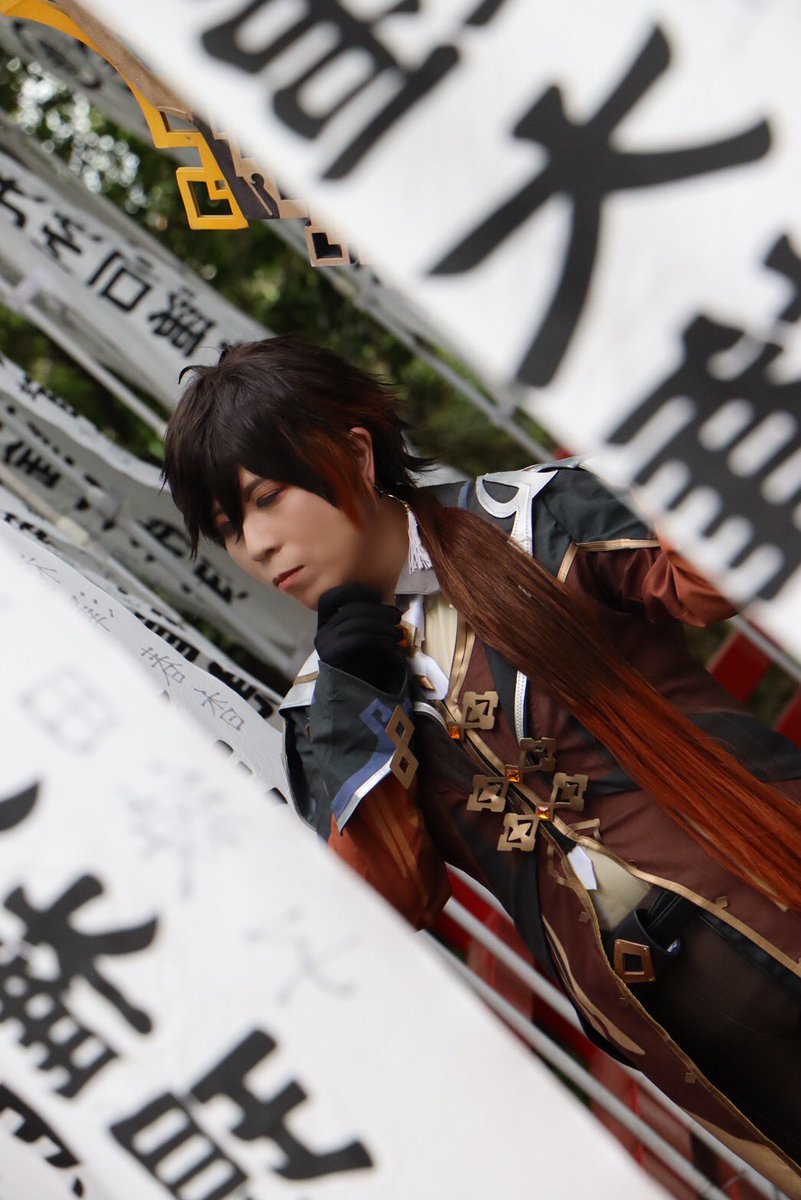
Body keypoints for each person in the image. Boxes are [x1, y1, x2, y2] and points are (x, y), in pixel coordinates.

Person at [163, 336, 801, 1195]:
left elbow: (709, 573)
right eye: (228, 528)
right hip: (674, 1025)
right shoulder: (324, 710)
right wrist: (356, 700)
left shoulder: (533, 518)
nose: (257, 544)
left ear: (354, 453)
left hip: (772, 867)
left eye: (266, 498)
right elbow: (387, 899)